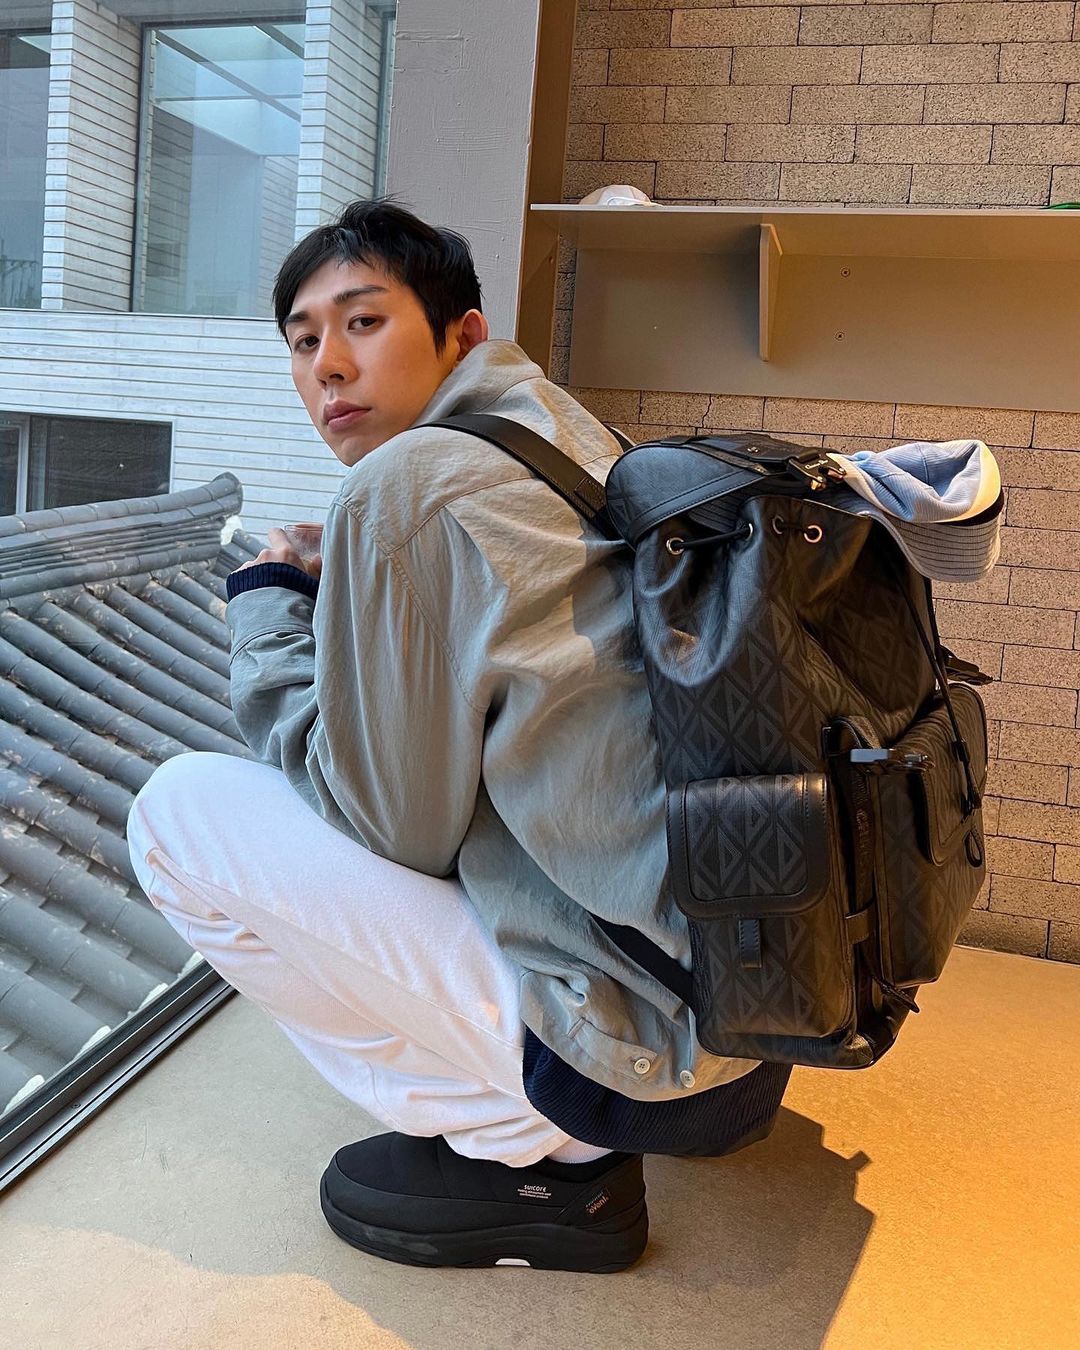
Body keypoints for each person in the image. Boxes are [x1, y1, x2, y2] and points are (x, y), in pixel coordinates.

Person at [126, 199, 791, 1274]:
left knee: (174, 813)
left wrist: (268, 609)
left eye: (364, 321)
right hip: (752, 1008)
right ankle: (543, 1105)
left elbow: (393, 833)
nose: (328, 366)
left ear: (461, 334)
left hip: (640, 1057)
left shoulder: (404, 485)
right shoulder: (566, 432)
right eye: (302, 340)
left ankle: (539, 1154)